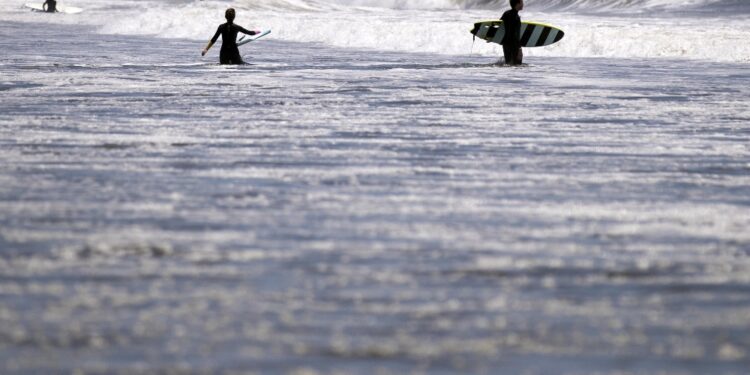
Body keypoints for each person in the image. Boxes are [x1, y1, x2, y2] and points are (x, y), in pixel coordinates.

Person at [501, 0, 524, 65]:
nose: (523, 4)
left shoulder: (506, 13)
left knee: (508, 64)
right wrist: (519, 48)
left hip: (505, 43)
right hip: (514, 44)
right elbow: (515, 33)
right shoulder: (516, 17)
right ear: (518, 3)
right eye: (522, 2)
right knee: (517, 65)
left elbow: (500, 27)